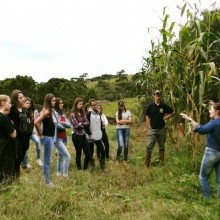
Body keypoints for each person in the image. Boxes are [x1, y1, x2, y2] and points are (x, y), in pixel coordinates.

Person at [180, 102, 220, 198]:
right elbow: (204, 128)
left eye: (211, 109)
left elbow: (201, 129)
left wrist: (189, 119)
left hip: (211, 152)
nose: (209, 110)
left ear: (217, 111)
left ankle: (207, 199)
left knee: (203, 176)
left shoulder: (214, 123)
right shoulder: (214, 123)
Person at [145, 90, 174, 168]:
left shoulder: (163, 106)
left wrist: (166, 118)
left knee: (161, 146)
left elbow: (172, 112)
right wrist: (148, 125)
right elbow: (147, 116)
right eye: (156, 95)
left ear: (160, 96)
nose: (158, 97)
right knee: (149, 146)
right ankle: (147, 165)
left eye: (159, 95)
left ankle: (161, 163)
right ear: (154, 96)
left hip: (161, 129)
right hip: (152, 129)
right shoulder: (150, 106)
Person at [34, 93, 56, 188]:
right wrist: (40, 134)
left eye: (55, 100)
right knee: (47, 160)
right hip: (47, 138)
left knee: (48, 159)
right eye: (53, 101)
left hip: (50, 137)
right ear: (48, 101)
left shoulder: (50, 110)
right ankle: (47, 182)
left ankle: (47, 179)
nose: (54, 102)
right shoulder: (46, 111)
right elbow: (36, 122)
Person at [9, 90, 32, 177]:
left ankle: (16, 176)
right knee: (17, 159)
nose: (23, 99)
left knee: (21, 158)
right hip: (17, 139)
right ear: (15, 99)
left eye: (23, 97)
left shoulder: (24, 109)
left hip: (25, 139)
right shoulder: (12, 109)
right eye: (20, 98)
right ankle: (14, 176)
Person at [0, 95, 17, 185]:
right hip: (7, 147)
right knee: (8, 171)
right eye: (9, 103)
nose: (11, 105)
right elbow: (13, 135)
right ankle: (6, 189)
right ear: (3, 103)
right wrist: (13, 126)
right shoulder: (4, 118)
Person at [71, 98, 91, 170]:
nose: (81, 105)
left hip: (83, 135)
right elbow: (77, 125)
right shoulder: (73, 114)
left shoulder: (83, 113)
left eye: (82, 104)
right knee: (78, 152)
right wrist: (83, 123)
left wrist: (81, 123)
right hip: (76, 135)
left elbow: (88, 123)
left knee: (88, 152)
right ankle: (79, 167)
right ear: (76, 104)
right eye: (80, 104)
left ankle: (85, 168)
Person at [53, 98, 71, 177]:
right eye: (60, 103)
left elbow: (69, 124)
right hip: (58, 139)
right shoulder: (55, 114)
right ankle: (65, 175)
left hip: (64, 138)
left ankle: (58, 173)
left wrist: (63, 123)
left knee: (60, 156)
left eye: (62, 103)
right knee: (67, 156)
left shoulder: (62, 114)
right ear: (57, 104)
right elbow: (57, 125)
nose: (62, 104)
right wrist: (64, 125)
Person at [86, 99, 105, 170]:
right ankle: (92, 166)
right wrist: (90, 134)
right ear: (90, 106)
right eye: (93, 105)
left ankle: (102, 166)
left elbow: (100, 124)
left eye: (95, 104)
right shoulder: (89, 114)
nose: (95, 106)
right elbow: (86, 126)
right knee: (91, 152)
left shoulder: (98, 113)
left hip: (97, 136)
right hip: (90, 137)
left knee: (102, 151)